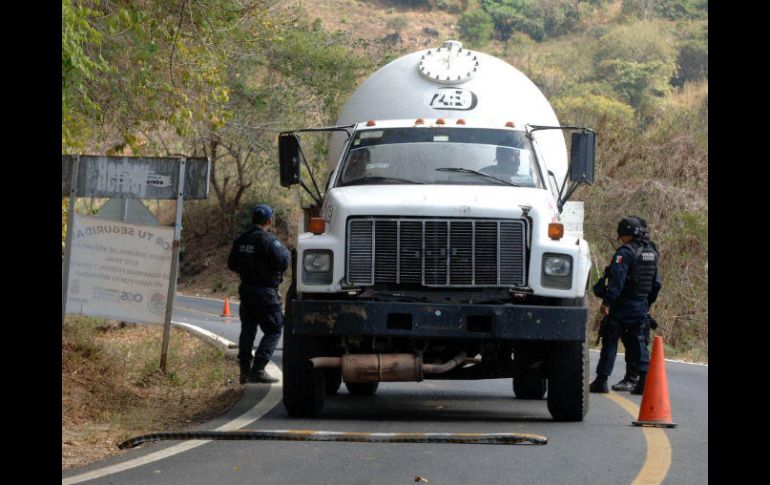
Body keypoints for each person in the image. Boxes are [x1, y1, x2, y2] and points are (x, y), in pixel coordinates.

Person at [589, 216, 661, 394]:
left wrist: (607, 302)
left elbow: (617, 282)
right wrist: (647, 303)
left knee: (610, 340)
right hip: (641, 304)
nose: (620, 238)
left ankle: (601, 380)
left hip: (622, 305)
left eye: (621, 234)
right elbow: (656, 283)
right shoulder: (651, 251)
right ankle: (643, 382)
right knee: (639, 343)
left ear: (626, 233)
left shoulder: (625, 253)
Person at [227, 204, 291, 384]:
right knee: (275, 328)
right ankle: (259, 368)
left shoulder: (241, 240)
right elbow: (284, 262)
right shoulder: (269, 241)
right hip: (266, 293)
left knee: (248, 330)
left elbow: (232, 264)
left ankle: (244, 371)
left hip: (246, 291)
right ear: (269, 221)